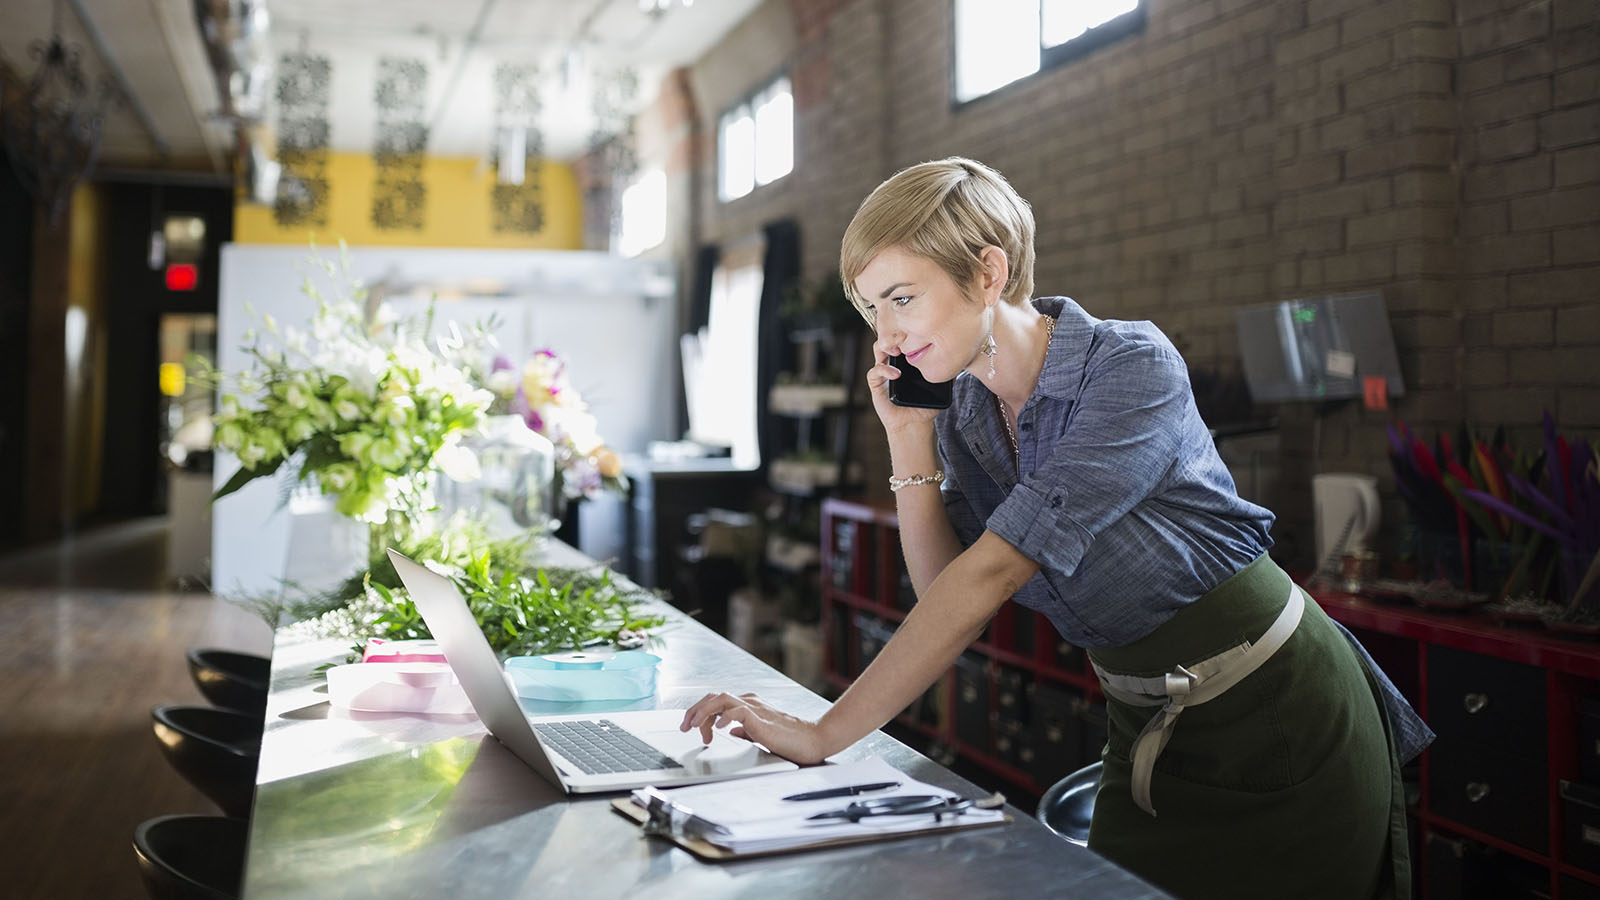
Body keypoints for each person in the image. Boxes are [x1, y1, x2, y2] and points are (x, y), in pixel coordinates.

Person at [680, 158, 1430, 900]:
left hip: (1277, 711)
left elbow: (995, 572)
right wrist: (908, 439)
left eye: (903, 298)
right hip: (1146, 722)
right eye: (872, 308)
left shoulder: (1129, 368)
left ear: (988, 273)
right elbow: (946, 595)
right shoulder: (967, 413)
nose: (887, 335)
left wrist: (824, 732)